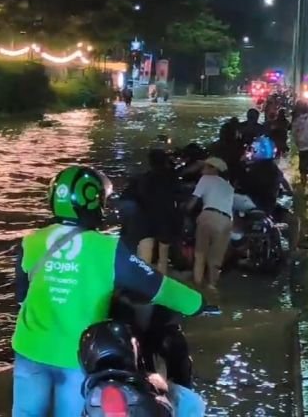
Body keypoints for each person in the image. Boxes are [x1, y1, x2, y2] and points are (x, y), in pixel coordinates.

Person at [12, 166, 204, 416]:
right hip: (76, 357)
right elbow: (156, 285)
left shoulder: (31, 241)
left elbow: (21, 296)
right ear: (94, 202)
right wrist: (197, 303)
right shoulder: (108, 250)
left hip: (29, 347)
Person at [186, 157, 234, 290]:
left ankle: (197, 285)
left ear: (213, 169)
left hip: (209, 216)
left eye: (206, 167)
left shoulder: (206, 179)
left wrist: (185, 210)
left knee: (200, 254)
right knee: (216, 259)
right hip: (226, 222)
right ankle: (212, 286)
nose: (203, 170)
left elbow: (193, 201)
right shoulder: (229, 186)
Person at [135, 148, 181, 273]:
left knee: (146, 251)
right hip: (166, 216)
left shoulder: (145, 178)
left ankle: (145, 277)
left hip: (148, 216)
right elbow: (177, 193)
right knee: (163, 253)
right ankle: (162, 279)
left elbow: (141, 195)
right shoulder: (171, 176)